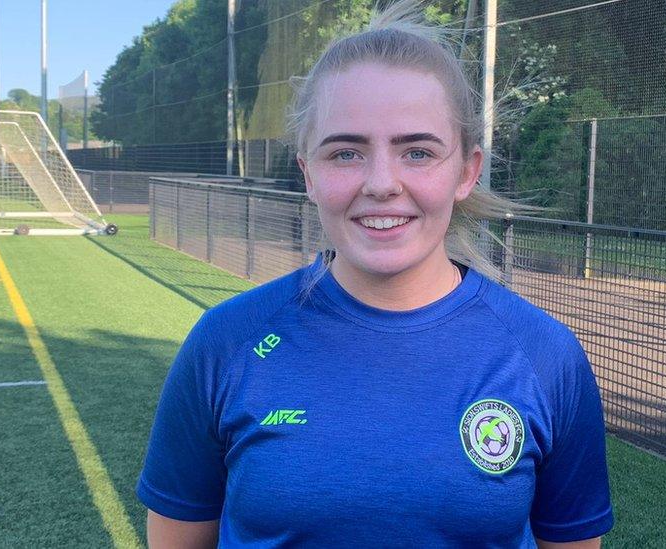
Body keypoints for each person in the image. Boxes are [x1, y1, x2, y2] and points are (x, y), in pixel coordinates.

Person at [137, 2, 613, 547]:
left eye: (417, 151)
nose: (382, 183)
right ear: (308, 173)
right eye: (345, 153)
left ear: (466, 171)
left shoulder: (544, 355)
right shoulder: (225, 344)